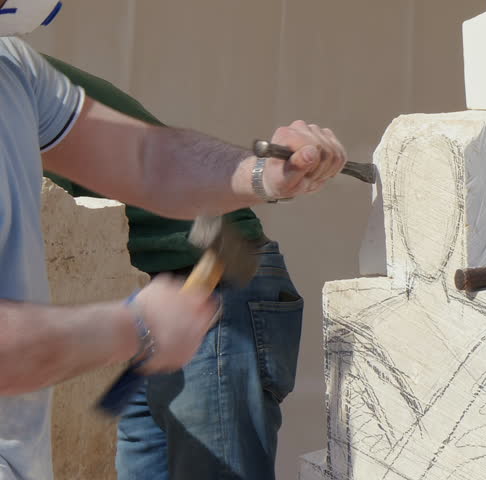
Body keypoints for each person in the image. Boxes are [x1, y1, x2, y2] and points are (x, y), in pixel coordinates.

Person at [0, 2, 346, 479]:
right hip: (165, 298)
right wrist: (129, 328)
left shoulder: (14, 68)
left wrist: (264, 173)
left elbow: (149, 160)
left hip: (206, 283)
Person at [43, 57, 306, 479]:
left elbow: (162, 160)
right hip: (152, 296)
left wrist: (262, 174)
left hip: (216, 284)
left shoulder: (18, 81)